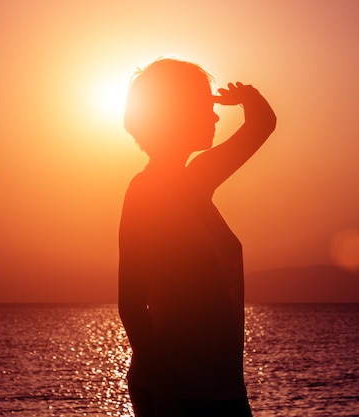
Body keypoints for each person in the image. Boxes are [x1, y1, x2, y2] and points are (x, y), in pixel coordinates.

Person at [117, 58, 276, 417]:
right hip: (179, 392)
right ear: (179, 113)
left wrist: (244, 96)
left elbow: (263, 124)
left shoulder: (195, 180)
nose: (216, 116)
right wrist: (165, 392)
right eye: (206, 107)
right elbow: (131, 304)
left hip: (220, 387)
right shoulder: (147, 192)